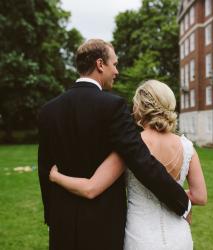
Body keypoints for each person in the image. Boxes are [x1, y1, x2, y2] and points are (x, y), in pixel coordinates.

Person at [38, 39, 190, 250]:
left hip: (61, 224)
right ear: (100, 64)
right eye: (114, 64)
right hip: (103, 227)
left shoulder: (48, 110)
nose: (116, 71)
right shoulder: (113, 106)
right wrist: (182, 202)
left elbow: (45, 168)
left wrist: (52, 217)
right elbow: (141, 160)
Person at [49, 80, 207, 250]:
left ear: (140, 107)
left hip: (141, 239)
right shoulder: (187, 147)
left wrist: (55, 176)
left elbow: (90, 188)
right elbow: (200, 197)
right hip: (179, 238)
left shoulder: (131, 146)